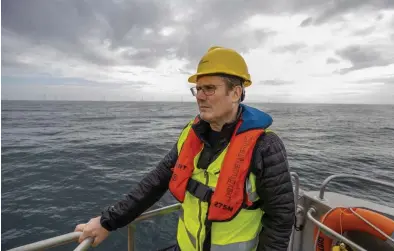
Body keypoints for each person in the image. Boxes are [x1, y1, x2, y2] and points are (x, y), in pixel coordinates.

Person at [74, 46, 295, 251]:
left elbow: (281, 218)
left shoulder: (265, 146)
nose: (199, 96)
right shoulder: (192, 134)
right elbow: (156, 181)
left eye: (209, 89)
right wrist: (107, 221)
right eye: (197, 89)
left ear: (236, 93)